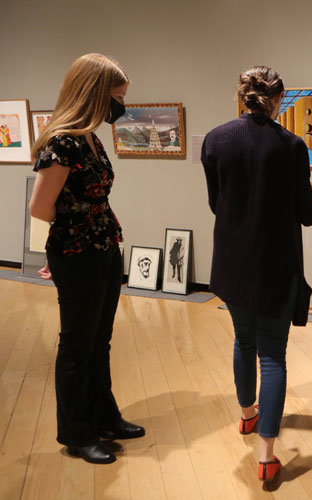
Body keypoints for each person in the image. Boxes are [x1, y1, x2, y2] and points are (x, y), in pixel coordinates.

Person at [201, 65, 312, 482]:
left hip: (231, 263)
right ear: (278, 100)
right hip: (276, 266)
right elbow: (304, 213)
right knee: (273, 357)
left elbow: (217, 203)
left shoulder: (214, 140)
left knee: (243, 341)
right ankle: (266, 456)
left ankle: (247, 416)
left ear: (241, 95)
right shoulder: (292, 146)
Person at [29, 53, 145, 465]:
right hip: (78, 253)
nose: (121, 105)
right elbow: (41, 208)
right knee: (77, 346)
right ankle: (77, 433)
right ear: (94, 94)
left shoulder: (89, 137)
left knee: (100, 341)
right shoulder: (61, 140)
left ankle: (104, 417)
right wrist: (84, 222)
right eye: (117, 96)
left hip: (103, 248)